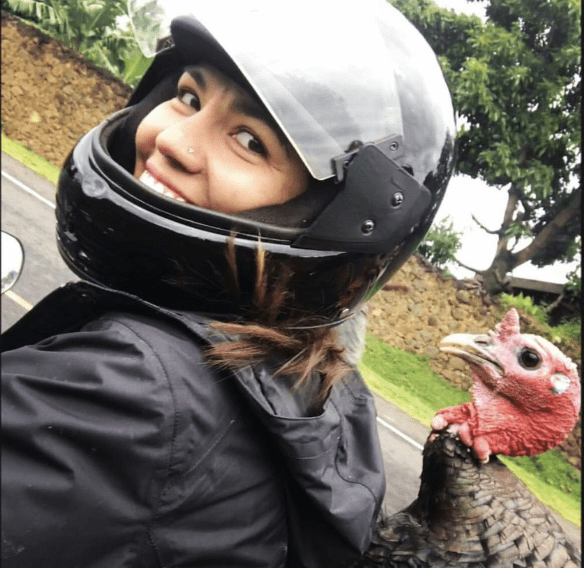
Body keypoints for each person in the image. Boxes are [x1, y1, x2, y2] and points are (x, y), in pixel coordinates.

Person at [1, 0, 456, 566]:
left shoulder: (128, 395)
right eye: (189, 97)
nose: (173, 141)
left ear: (328, 219)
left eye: (249, 141)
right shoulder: (325, 394)